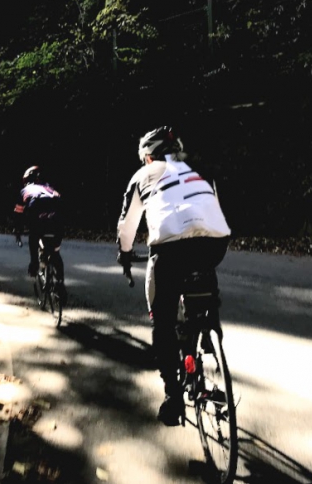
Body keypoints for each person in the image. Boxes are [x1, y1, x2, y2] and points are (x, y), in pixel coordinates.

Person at [116, 126, 231, 426]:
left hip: (170, 249)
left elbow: (127, 224)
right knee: (203, 274)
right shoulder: (200, 169)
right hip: (215, 242)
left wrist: (124, 254)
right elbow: (212, 206)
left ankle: (173, 396)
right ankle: (208, 325)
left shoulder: (144, 176)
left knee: (162, 318)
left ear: (148, 156)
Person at [14, 166, 66, 302]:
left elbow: (18, 214)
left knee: (34, 236)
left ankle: (34, 264)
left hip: (38, 216)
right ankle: (60, 283)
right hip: (57, 218)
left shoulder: (25, 191)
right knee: (55, 252)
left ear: (26, 181)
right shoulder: (49, 188)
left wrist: (18, 231)